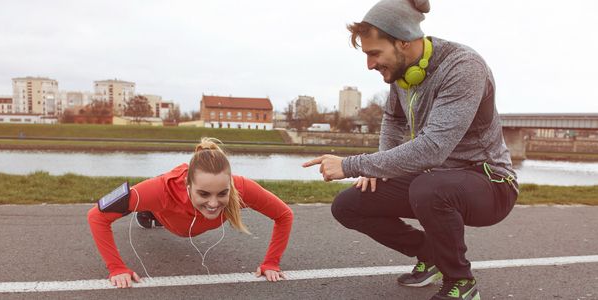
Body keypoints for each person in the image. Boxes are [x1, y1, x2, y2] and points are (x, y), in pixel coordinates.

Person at [302, 0, 518, 299]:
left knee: (429, 188)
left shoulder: (463, 67)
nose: (370, 64)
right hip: (435, 179)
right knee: (349, 205)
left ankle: (461, 283)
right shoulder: (402, 74)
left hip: (491, 184)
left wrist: (354, 165)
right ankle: (430, 254)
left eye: (374, 53)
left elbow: (433, 148)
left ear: (403, 41)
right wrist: (378, 171)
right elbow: (393, 118)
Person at [88, 138, 293, 288]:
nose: (213, 203)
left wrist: (271, 262)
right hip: (163, 213)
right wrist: (116, 268)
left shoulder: (243, 189)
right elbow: (96, 216)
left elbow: (284, 215)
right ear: (188, 186)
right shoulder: (161, 189)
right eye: (203, 193)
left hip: (184, 223)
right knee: (147, 205)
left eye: (222, 193)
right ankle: (147, 213)